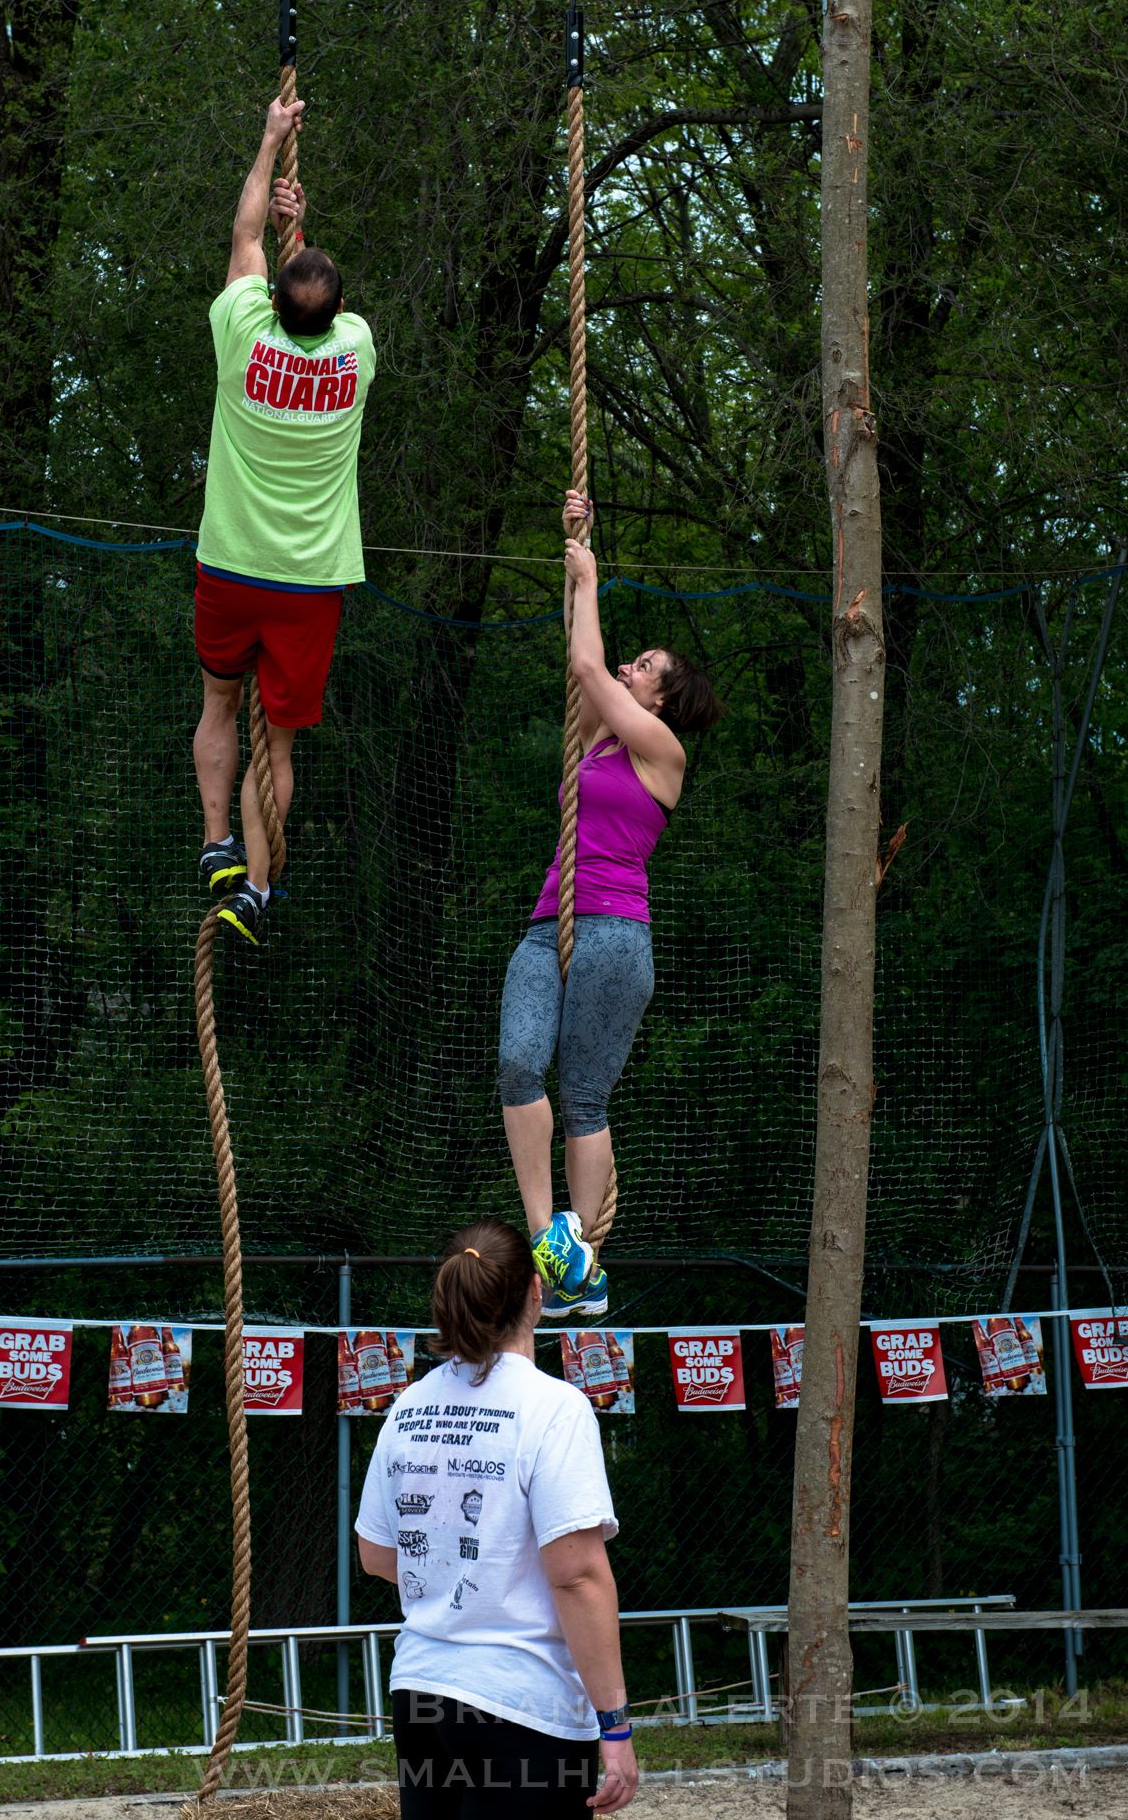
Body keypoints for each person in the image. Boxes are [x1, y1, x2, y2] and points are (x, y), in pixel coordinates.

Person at [501, 490, 725, 1320]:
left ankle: (581, 1261)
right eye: (633, 661)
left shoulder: (659, 751)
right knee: (519, 1066)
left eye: (645, 669)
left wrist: (590, 576)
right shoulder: (598, 731)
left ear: (661, 701)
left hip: (614, 935)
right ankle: (548, 1242)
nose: (628, 668)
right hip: (546, 925)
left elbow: (592, 667)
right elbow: (583, 661)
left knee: (584, 1100)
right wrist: (575, 539)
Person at [356, 1219, 639, 1817]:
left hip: (422, 1692)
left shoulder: (408, 1406)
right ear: (537, 1291)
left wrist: (460, 1578)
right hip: (522, 1704)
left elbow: (378, 1556)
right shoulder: (555, 1408)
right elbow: (578, 1576)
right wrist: (614, 1726)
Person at [193, 94, 376, 946]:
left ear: (269, 303)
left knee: (219, 707)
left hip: (230, 566)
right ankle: (258, 890)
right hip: (309, 583)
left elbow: (243, 246)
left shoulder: (240, 330)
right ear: (336, 320)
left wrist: (270, 143)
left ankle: (214, 842)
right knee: (282, 753)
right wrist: (296, 240)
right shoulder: (356, 351)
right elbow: (302, 295)